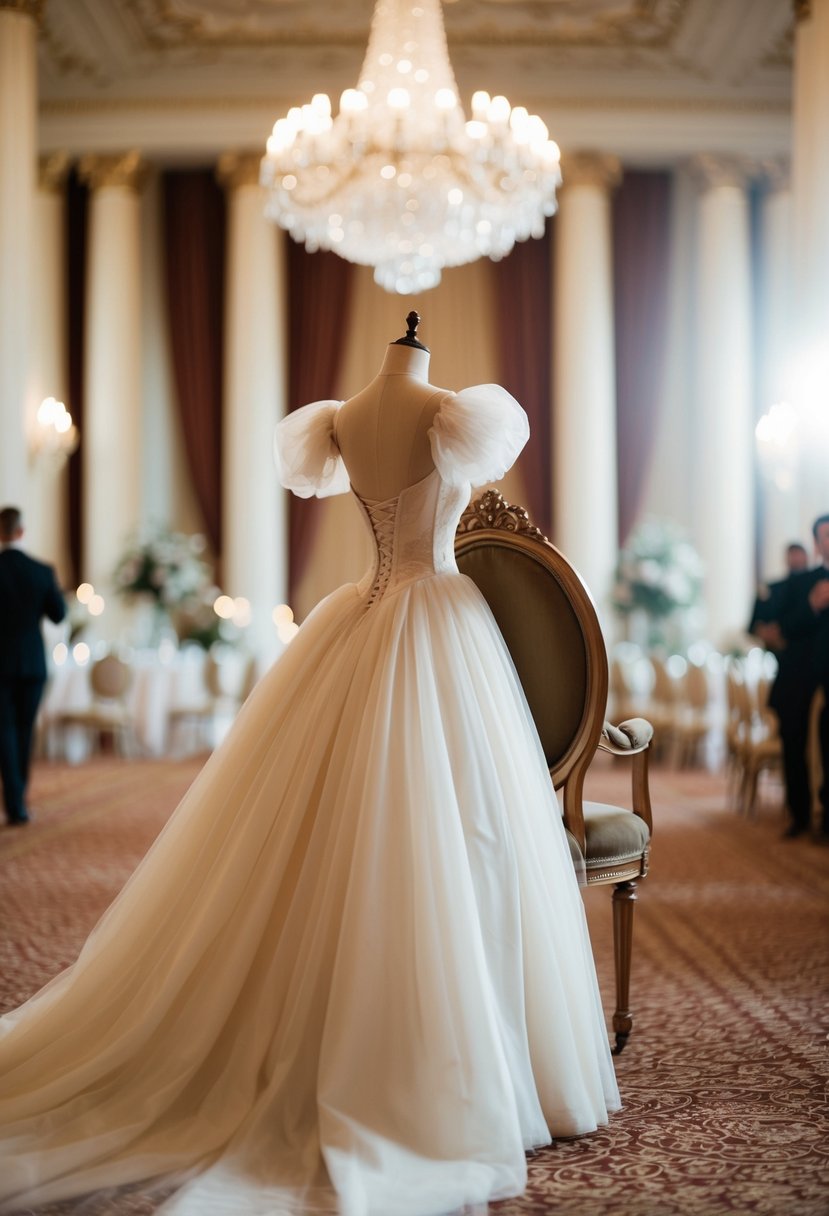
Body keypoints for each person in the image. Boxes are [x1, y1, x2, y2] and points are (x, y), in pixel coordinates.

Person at [0, 321, 619, 1216]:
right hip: (437, 617)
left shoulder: (343, 417)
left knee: (376, 826)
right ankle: (445, 1061)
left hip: (359, 620)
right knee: (459, 832)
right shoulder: (448, 412)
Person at [0, 505, 66, 827]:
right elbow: (59, 615)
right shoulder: (41, 571)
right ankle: (19, 800)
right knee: (25, 729)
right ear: (21, 532)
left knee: (4, 731)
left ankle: (13, 803)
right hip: (32, 664)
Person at [775, 514, 829, 841]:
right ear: (817, 543)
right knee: (793, 742)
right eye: (825, 536)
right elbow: (784, 627)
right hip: (800, 677)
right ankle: (799, 814)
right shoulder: (801, 582)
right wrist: (812, 604)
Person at [748, 541, 809, 652]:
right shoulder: (773, 589)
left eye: (798, 554)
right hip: (774, 651)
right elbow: (755, 624)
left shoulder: (812, 589)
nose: (795, 559)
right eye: (792, 554)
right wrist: (765, 632)